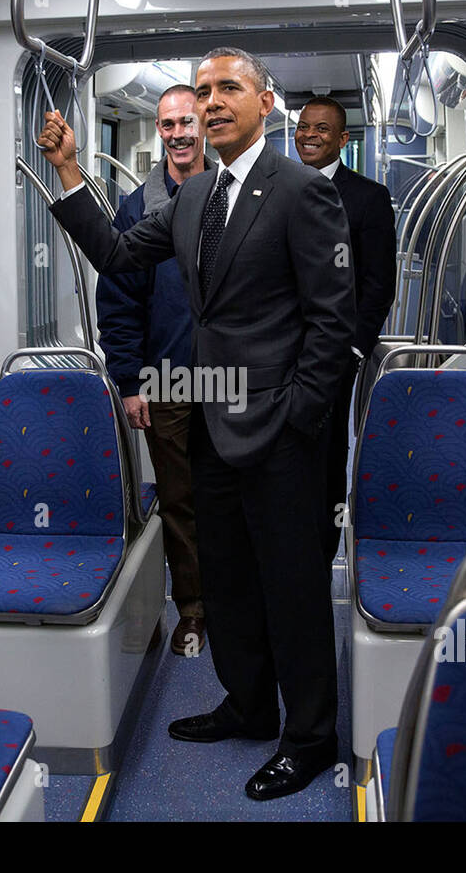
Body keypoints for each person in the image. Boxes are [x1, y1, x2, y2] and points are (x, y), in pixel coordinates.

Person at [38, 47, 355, 800]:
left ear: (266, 102)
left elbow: (330, 325)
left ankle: (308, 737)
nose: (212, 103)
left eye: (228, 89)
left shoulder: (302, 191)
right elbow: (117, 255)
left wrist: (296, 423)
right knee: (229, 581)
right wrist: (70, 172)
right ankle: (247, 706)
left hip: (278, 434)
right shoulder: (194, 197)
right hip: (211, 423)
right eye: (204, 90)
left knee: (294, 590)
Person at [95, 84, 212, 655]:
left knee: (238, 495)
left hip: (237, 382)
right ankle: (192, 607)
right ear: (160, 132)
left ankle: (240, 601)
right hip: (167, 379)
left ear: (204, 125)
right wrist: (130, 380)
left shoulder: (236, 192)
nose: (178, 133)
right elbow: (119, 298)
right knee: (180, 499)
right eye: (168, 125)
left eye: (187, 121)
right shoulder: (139, 204)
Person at [293, 97, 397, 566]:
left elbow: (378, 286)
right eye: (302, 127)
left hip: (335, 353)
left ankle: (321, 549)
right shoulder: (280, 188)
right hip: (277, 351)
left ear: (342, 139)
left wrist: (354, 350)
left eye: (320, 129)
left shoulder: (368, 198)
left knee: (327, 449)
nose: (308, 135)